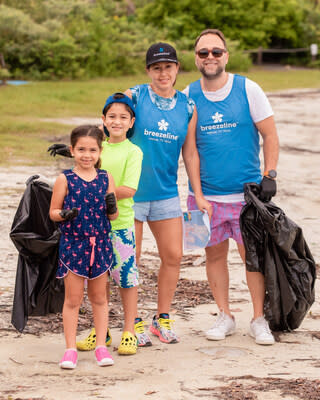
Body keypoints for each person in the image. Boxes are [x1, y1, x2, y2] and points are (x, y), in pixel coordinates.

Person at [184, 29, 279, 345]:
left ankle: (259, 318)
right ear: (195, 58)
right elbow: (190, 149)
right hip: (203, 198)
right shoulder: (188, 95)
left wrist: (270, 174)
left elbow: (270, 136)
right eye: (203, 53)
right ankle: (224, 315)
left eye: (216, 52)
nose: (209, 57)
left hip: (247, 197)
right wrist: (197, 194)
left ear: (226, 55)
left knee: (252, 257)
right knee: (212, 256)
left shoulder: (248, 89)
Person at [124, 42, 211, 344]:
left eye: (168, 67)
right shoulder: (134, 96)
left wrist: (197, 193)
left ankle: (161, 318)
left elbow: (190, 154)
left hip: (165, 194)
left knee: (173, 255)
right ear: (149, 70)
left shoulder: (188, 107)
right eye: (156, 67)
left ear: (177, 69)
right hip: (130, 194)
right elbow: (110, 130)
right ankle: (131, 321)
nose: (163, 72)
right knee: (129, 260)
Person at [76, 93, 152, 355]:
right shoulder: (97, 148)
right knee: (99, 280)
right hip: (92, 226)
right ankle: (102, 331)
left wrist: (93, 191)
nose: (117, 121)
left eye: (123, 117)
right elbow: (83, 171)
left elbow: (129, 189)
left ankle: (129, 330)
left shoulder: (134, 151)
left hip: (120, 226)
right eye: (112, 117)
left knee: (126, 279)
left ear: (132, 122)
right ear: (103, 120)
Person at [49, 125, 118, 368]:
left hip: (100, 245)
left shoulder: (105, 177)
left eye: (92, 150)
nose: (87, 155)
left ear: (100, 152)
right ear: (72, 150)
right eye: (81, 150)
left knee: (99, 299)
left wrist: (112, 208)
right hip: (73, 245)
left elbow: (113, 216)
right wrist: (64, 214)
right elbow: (53, 212)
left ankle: (101, 346)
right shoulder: (64, 179)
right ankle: (70, 349)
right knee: (73, 299)